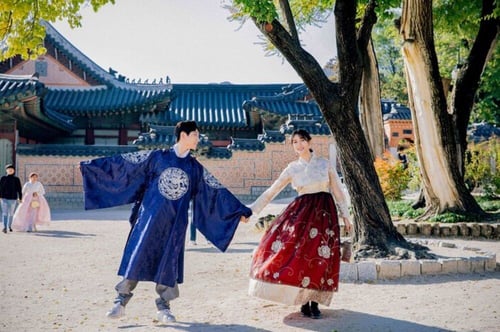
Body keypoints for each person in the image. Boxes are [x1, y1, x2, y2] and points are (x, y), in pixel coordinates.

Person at [80, 120, 252, 323]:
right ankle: (120, 302)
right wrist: (91, 168)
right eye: (196, 134)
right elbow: (125, 165)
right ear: (184, 135)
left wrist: (238, 212)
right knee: (138, 256)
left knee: (168, 263)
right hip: (149, 219)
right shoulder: (156, 157)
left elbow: (214, 192)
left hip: (175, 225)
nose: (199, 138)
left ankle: (164, 307)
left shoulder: (194, 168)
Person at [247, 129, 352, 319]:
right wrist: (252, 210)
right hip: (302, 215)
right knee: (302, 256)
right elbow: (273, 190)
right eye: (294, 142)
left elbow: (337, 190)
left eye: (302, 140)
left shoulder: (324, 164)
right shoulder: (292, 168)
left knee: (321, 257)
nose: (299, 145)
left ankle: (315, 302)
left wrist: (346, 215)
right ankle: (304, 302)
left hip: (324, 213)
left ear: (310, 142)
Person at [0, 164, 23, 233]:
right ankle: (4, 227)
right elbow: (0, 188)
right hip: (4, 198)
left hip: (13, 198)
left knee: (11, 213)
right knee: (5, 213)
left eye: (11, 169)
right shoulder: (3, 178)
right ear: (6, 170)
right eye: (8, 169)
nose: (10, 170)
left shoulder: (16, 179)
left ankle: (10, 226)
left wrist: (20, 197)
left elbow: (19, 189)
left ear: (14, 170)